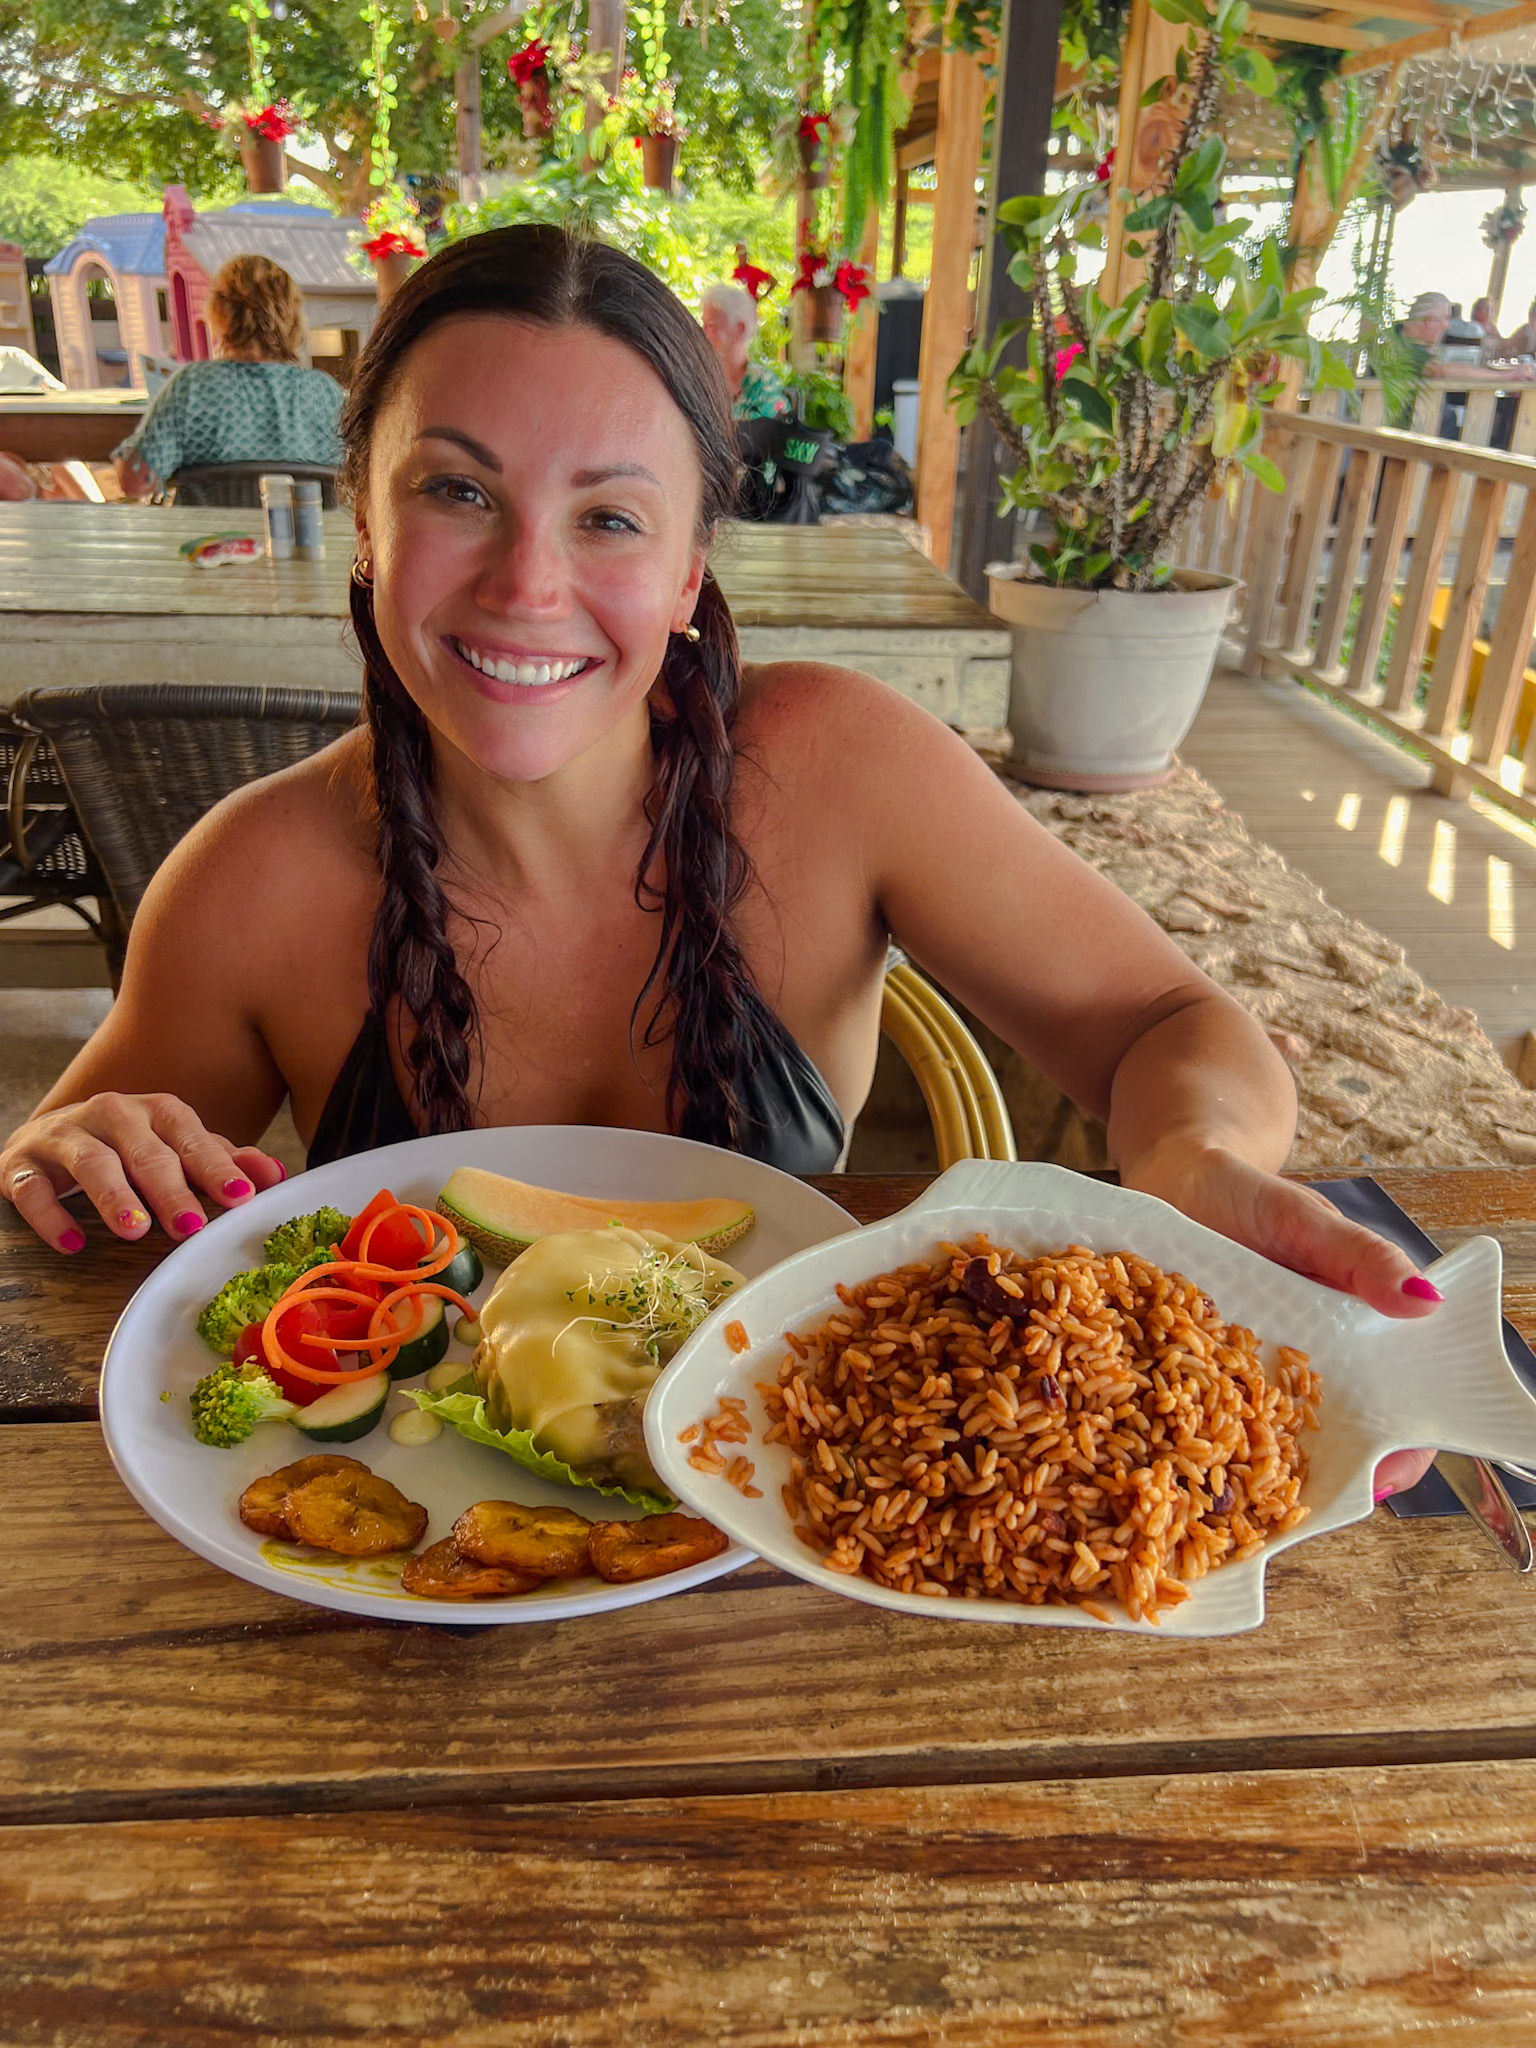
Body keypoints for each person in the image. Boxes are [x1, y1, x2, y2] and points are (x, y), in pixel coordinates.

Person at [0, 225, 1438, 1498]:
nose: (528, 584)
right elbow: (80, 1214)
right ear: (365, 527)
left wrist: (1192, 1152)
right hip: (408, 1562)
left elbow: (1170, 1026)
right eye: (456, 493)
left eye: (611, 517)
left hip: (813, 1503)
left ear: (690, 570)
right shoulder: (253, 879)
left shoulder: (846, 768)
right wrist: (73, 1159)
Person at [112, 254, 344, 499]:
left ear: (220, 313)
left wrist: (130, 451)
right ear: (293, 316)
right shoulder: (325, 393)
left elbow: (136, 482)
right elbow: (359, 480)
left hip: (212, 536)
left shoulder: (193, 386)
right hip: (307, 536)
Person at [698, 282, 789, 421]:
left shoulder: (764, 384)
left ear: (739, 330)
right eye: (703, 324)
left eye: (710, 326)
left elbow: (767, 435)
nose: (703, 332)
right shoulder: (701, 379)